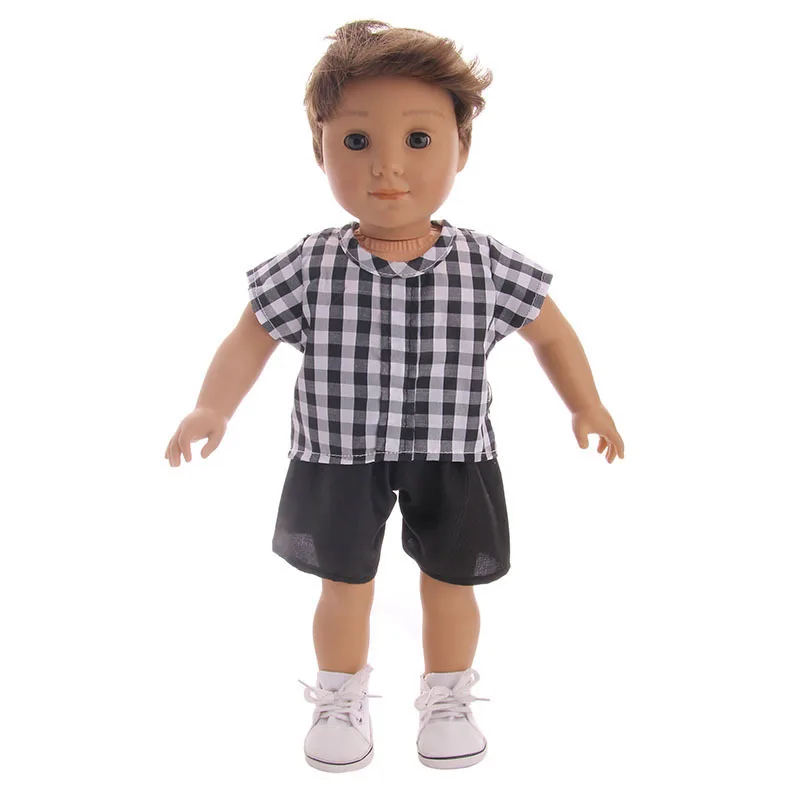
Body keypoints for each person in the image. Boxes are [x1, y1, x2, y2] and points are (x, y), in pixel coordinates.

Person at [164, 19, 625, 773]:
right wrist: (212, 406)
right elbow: (249, 337)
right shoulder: (310, 264)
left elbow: (552, 335)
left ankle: (448, 698)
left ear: (461, 148)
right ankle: (339, 698)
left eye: (418, 139)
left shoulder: (486, 264)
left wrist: (586, 404)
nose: (388, 167)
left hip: (453, 450)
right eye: (356, 141)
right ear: (320, 149)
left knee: (452, 583)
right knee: (344, 583)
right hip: (338, 451)